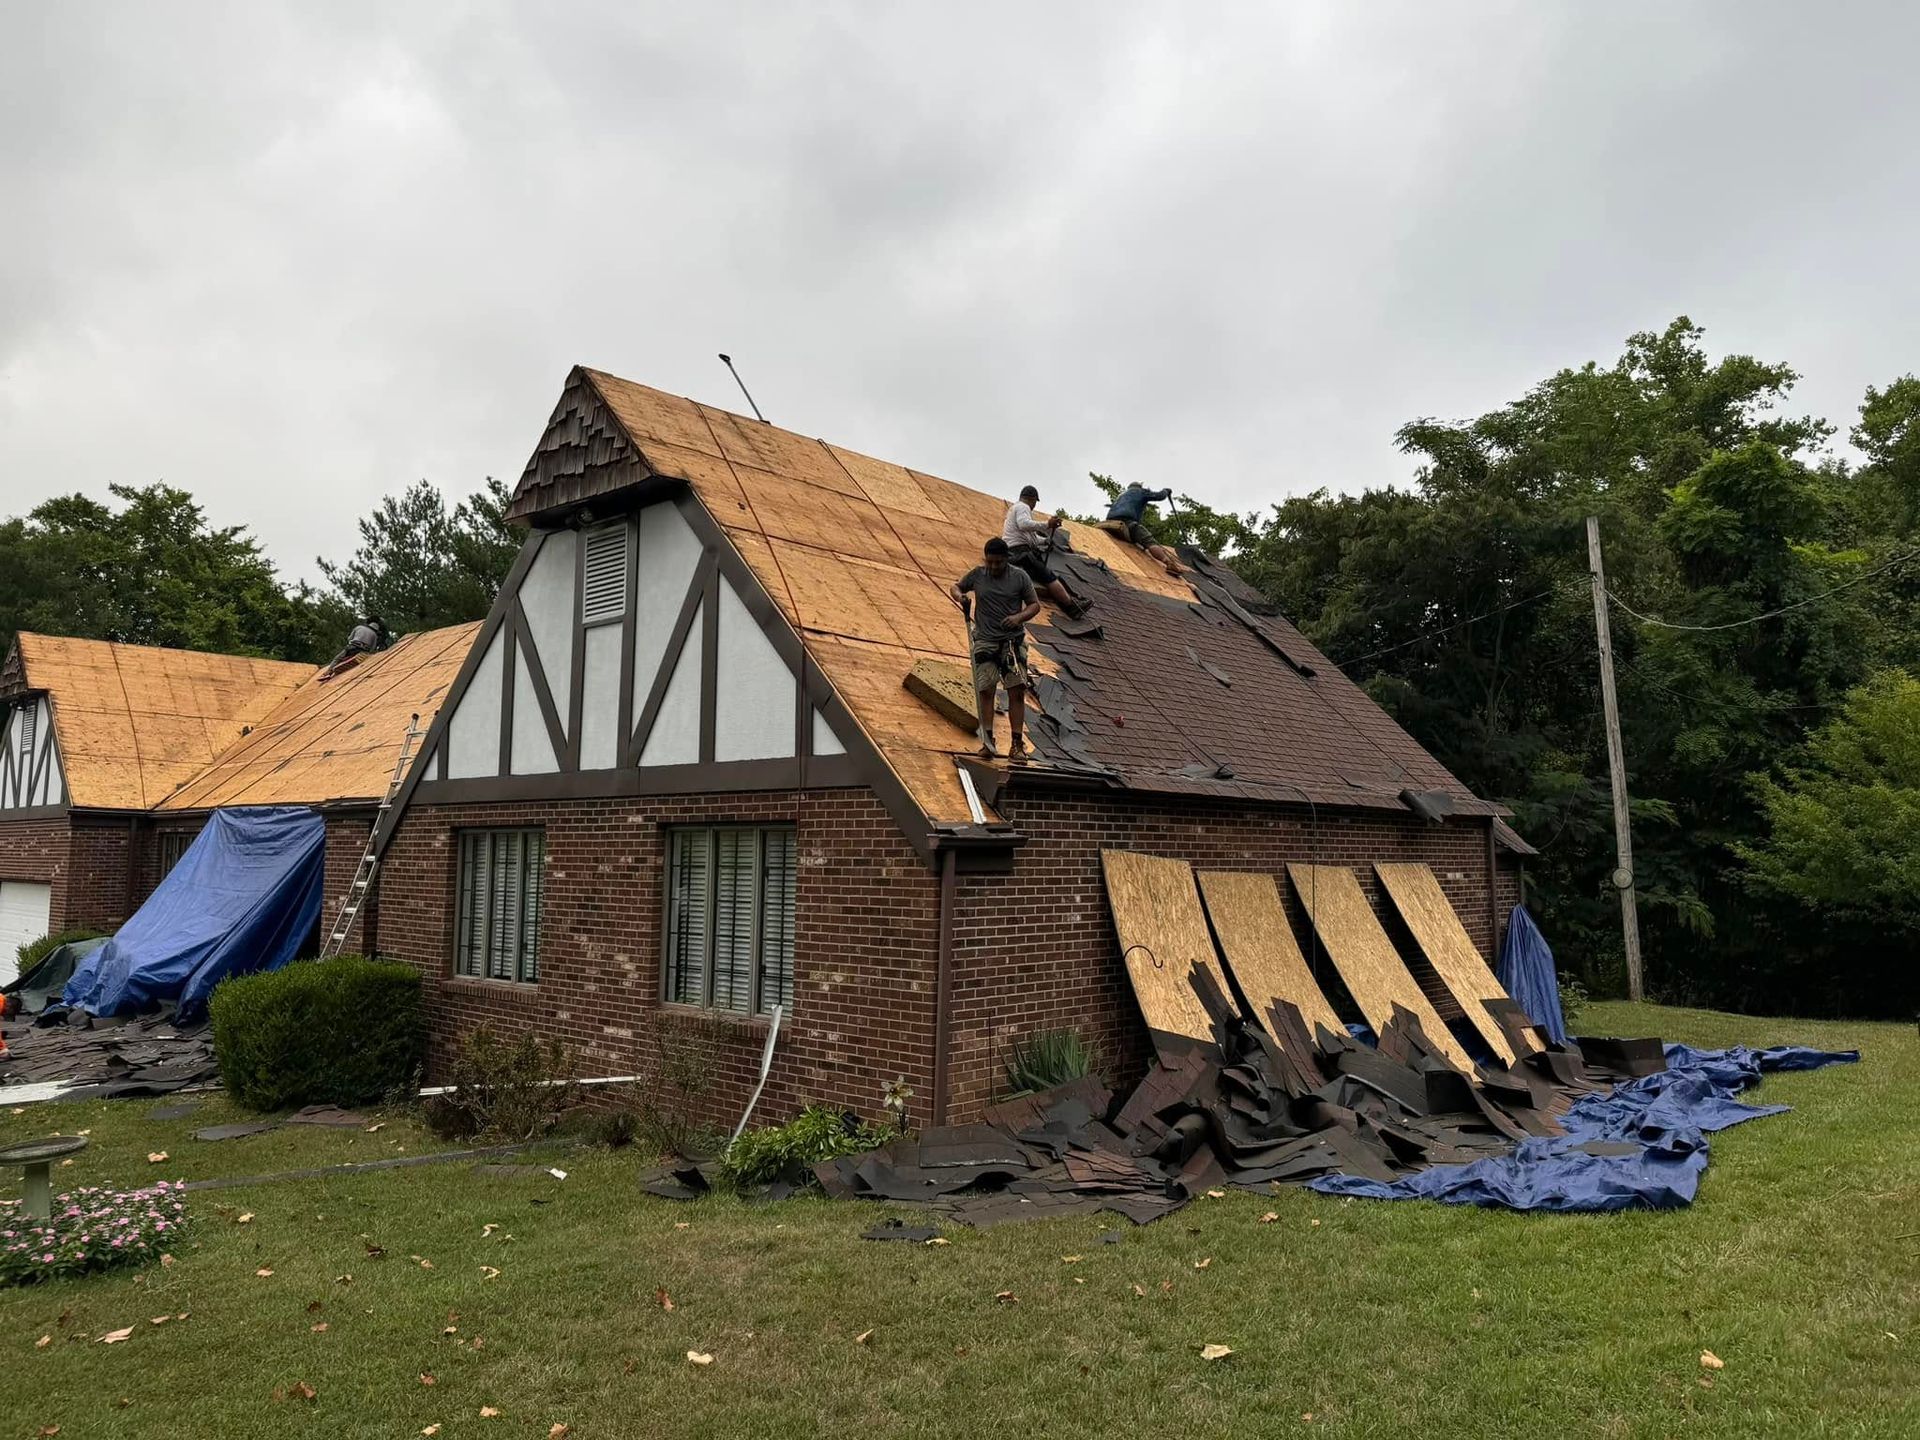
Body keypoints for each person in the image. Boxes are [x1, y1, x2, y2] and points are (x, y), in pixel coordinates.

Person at [951, 538, 1042, 758]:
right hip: (985, 640)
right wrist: (960, 597)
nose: (993, 567)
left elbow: (1034, 605)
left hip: (1012, 642)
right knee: (985, 690)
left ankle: (1017, 744)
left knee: (1016, 690)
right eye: (990, 562)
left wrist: (1018, 618)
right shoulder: (978, 575)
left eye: (998, 563)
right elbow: (956, 586)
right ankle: (987, 740)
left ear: (1006, 560)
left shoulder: (1019, 577)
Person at [1001, 486, 1093, 618]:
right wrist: (1047, 524)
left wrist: (1045, 541)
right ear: (1032, 499)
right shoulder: (1023, 507)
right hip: (1020, 552)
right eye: (1035, 502)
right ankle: (1071, 606)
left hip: (1016, 552)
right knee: (1048, 576)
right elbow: (1024, 524)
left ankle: (1069, 602)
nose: (1034, 506)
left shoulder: (1015, 509)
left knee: (1045, 575)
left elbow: (1030, 537)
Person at [1102, 482, 1185, 575]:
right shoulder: (1140, 492)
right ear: (1139, 487)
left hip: (1108, 522)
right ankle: (1169, 563)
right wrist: (1166, 491)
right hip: (1127, 522)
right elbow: (1160, 496)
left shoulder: (1121, 496)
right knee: (1149, 541)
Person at [318, 615, 390, 680]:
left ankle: (328, 673)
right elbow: (372, 648)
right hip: (363, 651)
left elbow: (349, 638)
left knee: (337, 658)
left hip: (352, 647)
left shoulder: (359, 627)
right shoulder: (374, 635)